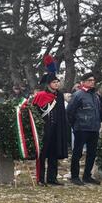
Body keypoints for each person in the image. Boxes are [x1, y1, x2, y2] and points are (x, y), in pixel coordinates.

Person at [31, 56, 69, 185]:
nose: (56, 84)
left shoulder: (60, 95)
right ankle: (40, 179)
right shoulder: (41, 95)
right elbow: (34, 112)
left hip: (56, 128)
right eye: (54, 82)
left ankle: (52, 178)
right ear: (48, 84)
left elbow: (61, 113)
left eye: (57, 82)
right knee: (42, 155)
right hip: (44, 128)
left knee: (53, 154)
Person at [66, 72, 102, 185]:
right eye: (90, 80)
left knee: (92, 153)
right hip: (81, 128)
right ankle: (75, 176)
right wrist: (75, 125)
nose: (92, 82)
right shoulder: (78, 95)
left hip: (94, 128)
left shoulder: (95, 96)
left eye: (93, 80)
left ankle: (87, 176)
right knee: (77, 153)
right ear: (84, 82)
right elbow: (70, 112)